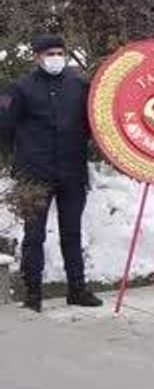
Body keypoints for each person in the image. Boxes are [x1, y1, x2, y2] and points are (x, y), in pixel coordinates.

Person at [0, 34, 101, 311]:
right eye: (49, 53)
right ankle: (33, 294)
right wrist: (17, 157)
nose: (55, 58)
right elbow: (4, 127)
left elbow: (95, 123)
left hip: (71, 171)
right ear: (37, 56)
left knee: (72, 232)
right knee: (34, 235)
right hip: (34, 175)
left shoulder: (80, 86)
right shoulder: (20, 89)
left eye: (59, 53)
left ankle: (77, 289)